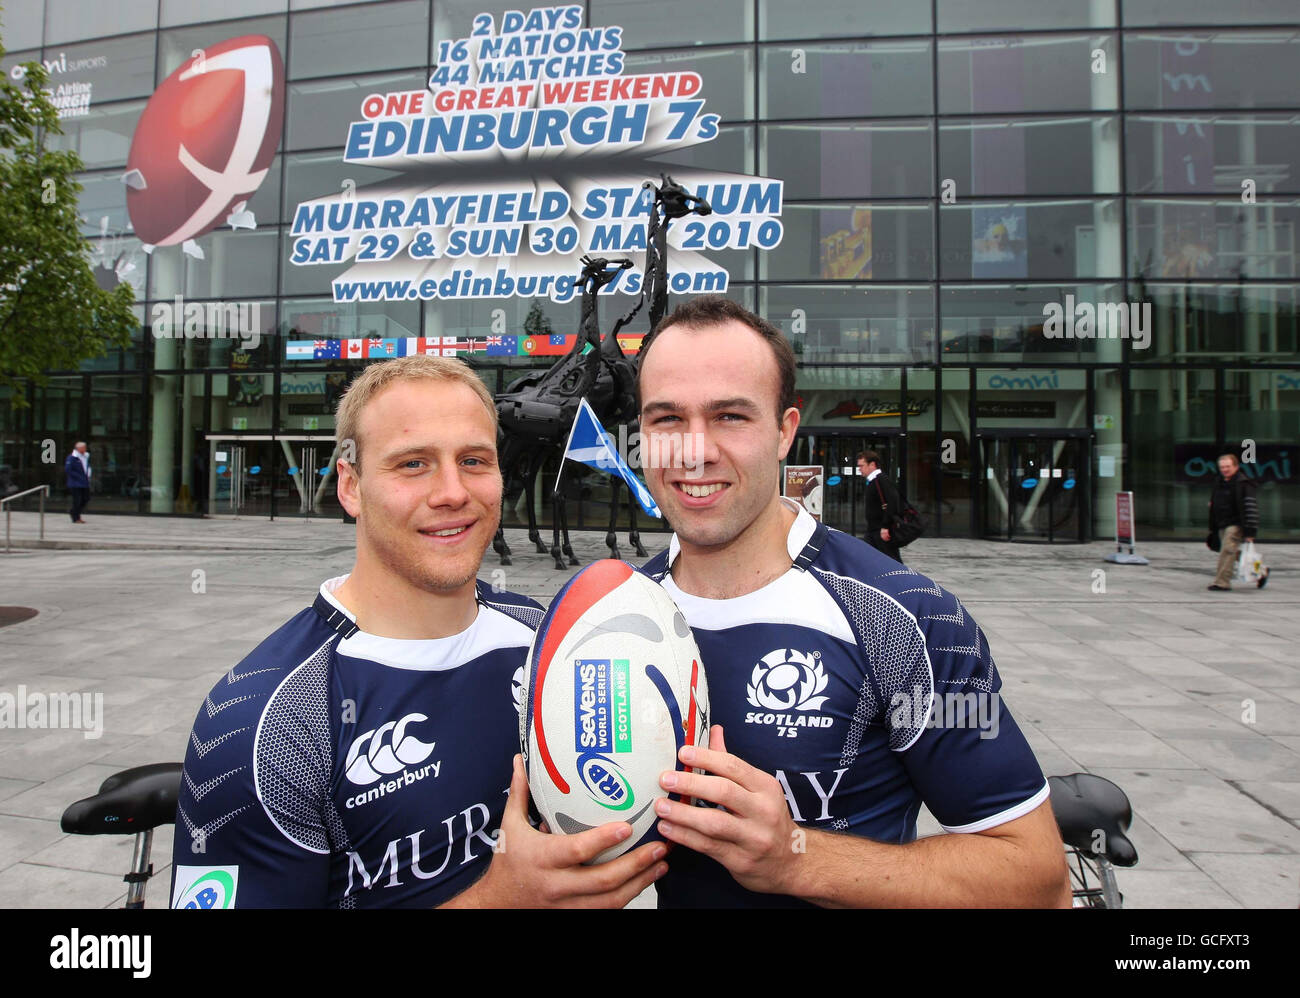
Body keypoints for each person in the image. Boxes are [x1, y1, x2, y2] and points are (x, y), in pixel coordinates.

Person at [171, 356, 666, 908]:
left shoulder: (540, 636)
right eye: (413, 464)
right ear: (351, 485)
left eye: (474, 460)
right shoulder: (264, 722)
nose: (453, 492)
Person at [635, 295, 1068, 908]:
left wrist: (794, 858)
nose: (693, 450)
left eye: (730, 416)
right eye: (666, 419)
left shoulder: (910, 617)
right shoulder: (616, 616)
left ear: (785, 431)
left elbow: (1035, 879)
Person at [1206, 452, 1262, 591]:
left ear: (1236, 466)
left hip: (1237, 523)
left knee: (1227, 550)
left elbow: (1250, 507)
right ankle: (1261, 571)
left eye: (1228, 466)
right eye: (1222, 467)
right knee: (1231, 551)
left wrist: (1250, 532)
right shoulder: (1219, 482)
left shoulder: (1244, 484)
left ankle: (1222, 582)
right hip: (1221, 523)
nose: (1225, 469)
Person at [857, 449, 903, 564]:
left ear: (872, 465)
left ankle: (904, 580)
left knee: (892, 560)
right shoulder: (873, 481)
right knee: (866, 558)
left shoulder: (881, 480)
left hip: (881, 531)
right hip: (873, 530)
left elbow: (893, 502)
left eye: (862, 466)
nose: (859, 469)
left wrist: (885, 526)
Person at [64, 441, 91, 523]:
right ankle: (76, 517)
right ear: (79, 448)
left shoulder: (85, 456)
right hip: (75, 483)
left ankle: (74, 512)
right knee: (77, 500)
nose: (85, 449)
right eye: (84, 447)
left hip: (85, 482)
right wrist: (79, 477)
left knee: (85, 499)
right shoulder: (72, 457)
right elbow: (68, 470)